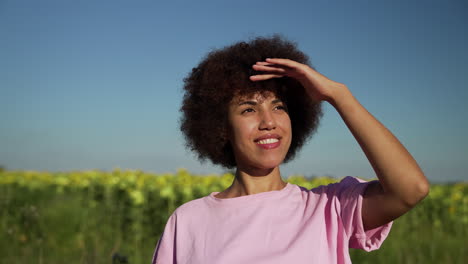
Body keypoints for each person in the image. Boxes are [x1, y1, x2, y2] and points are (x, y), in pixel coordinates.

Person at [151, 35, 429, 264]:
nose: (269, 122)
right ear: (220, 127)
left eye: (278, 107)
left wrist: (338, 96)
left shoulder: (328, 209)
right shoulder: (188, 221)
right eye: (249, 109)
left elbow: (410, 189)